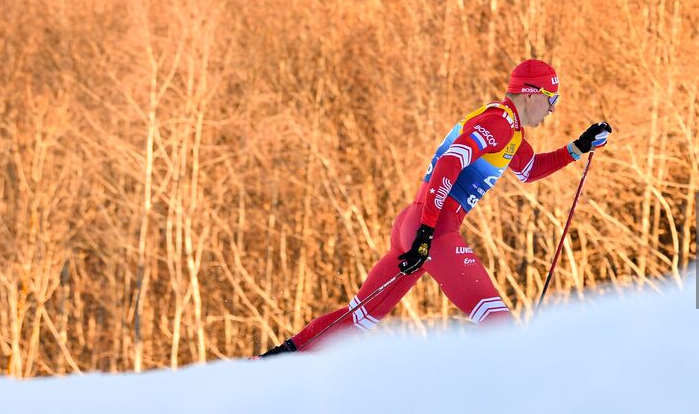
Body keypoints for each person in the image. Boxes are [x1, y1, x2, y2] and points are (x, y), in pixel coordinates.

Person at [260, 58, 611, 354]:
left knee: (358, 318)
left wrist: (578, 146)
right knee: (498, 324)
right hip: (435, 228)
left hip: (414, 224)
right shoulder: (499, 122)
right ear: (531, 94)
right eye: (552, 99)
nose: (552, 110)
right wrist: (428, 230)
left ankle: (272, 363)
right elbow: (450, 163)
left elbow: (530, 170)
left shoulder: (512, 132)